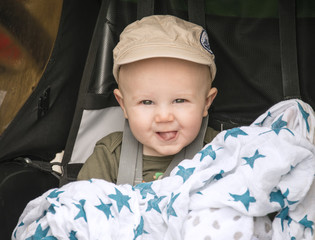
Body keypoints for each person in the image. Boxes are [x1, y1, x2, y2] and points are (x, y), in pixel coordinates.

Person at [77, 15, 219, 184]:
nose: (164, 117)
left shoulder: (221, 150)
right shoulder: (110, 156)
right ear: (123, 105)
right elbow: (84, 205)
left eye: (179, 100)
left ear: (206, 102)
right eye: (147, 102)